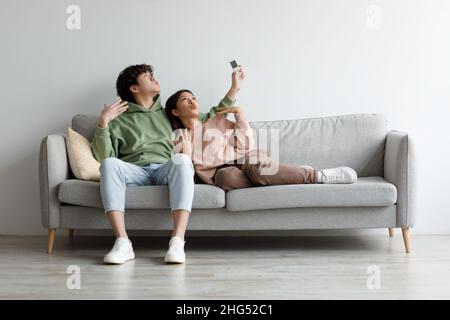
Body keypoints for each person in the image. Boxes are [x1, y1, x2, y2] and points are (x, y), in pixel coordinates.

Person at [91, 64, 236, 265]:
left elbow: (211, 117)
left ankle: (177, 241)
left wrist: (234, 88)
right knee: (108, 164)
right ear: (134, 88)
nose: (153, 77)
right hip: (135, 171)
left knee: (182, 160)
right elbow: (103, 156)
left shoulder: (169, 112)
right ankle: (122, 242)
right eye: (147, 76)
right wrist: (103, 123)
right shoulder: (118, 119)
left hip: (164, 169)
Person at [165, 66, 358, 190]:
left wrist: (240, 115)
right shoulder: (181, 137)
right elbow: (187, 169)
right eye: (185, 99)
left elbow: (246, 144)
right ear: (175, 112)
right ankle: (288, 174)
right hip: (219, 173)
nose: (192, 101)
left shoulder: (216, 120)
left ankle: (317, 176)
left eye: (193, 97)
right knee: (226, 179)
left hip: (246, 158)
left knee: (258, 170)